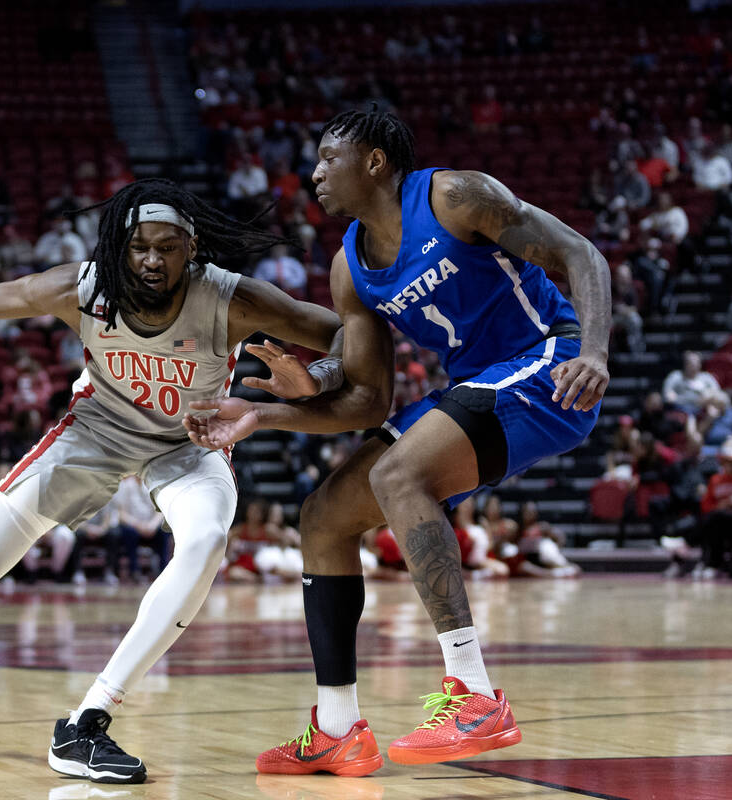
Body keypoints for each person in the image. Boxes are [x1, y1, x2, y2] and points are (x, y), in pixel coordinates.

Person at [0, 179, 344, 784]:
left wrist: (322, 376)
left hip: (189, 442)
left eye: (167, 246)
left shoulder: (233, 299)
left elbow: (341, 331)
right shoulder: (85, 287)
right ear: (119, 249)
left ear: (192, 247)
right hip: (93, 434)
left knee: (206, 542)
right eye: (139, 247)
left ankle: (87, 723)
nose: (152, 259)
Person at [185, 109, 610, 773]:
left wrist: (598, 352)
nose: (316, 174)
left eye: (329, 159)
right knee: (325, 517)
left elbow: (580, 253)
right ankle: (336, 728)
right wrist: (282, 400)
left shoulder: (455, 195)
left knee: (397, 477)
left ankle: (474, 695)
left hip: (551, 363)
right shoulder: (349, 268)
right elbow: (366, 396)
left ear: (376, 161)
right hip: (477, 390)